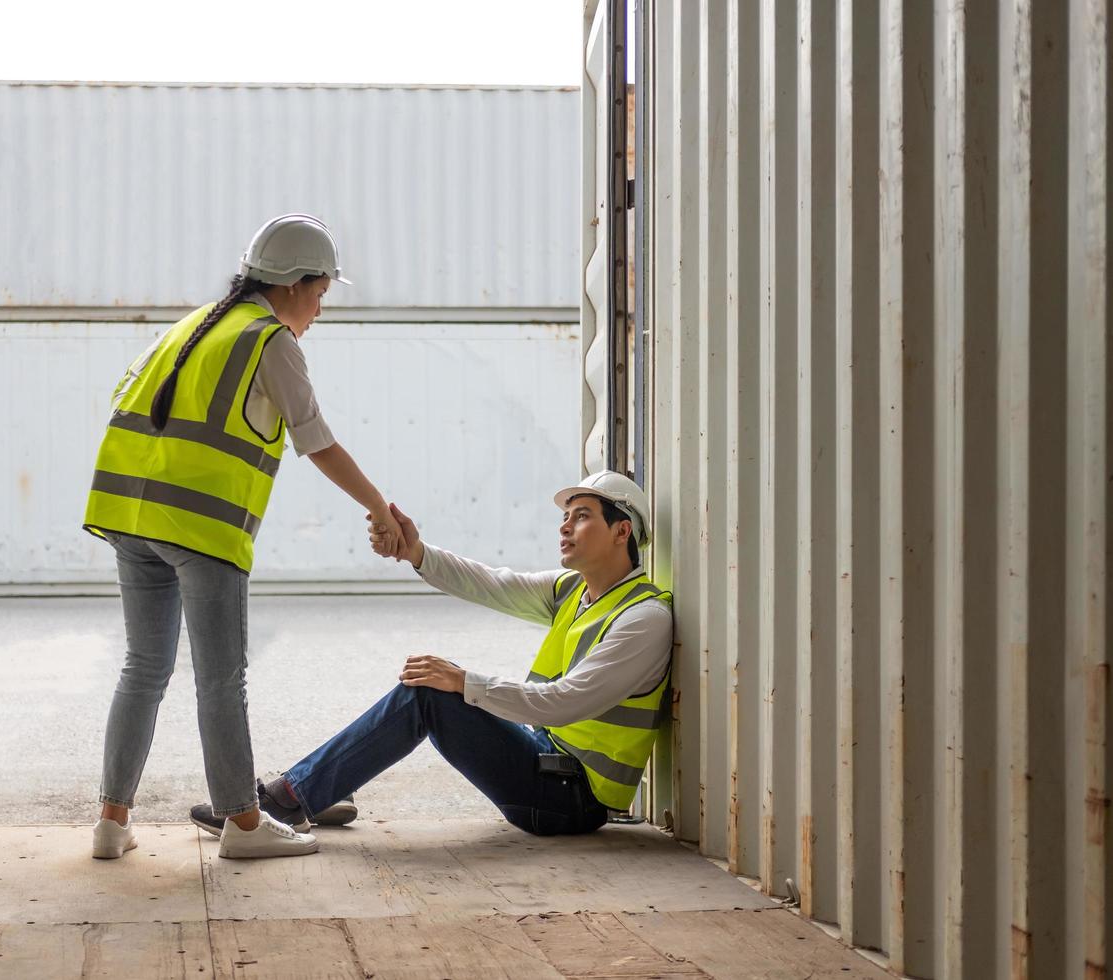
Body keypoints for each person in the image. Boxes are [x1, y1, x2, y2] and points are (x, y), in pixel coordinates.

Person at [84, 214, 400, 860]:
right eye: (320, 294)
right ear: (292, 285)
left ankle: (112, 825)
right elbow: (318, 442)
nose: (318, 309)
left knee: (143, 670)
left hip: (129, 518)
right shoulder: (268, 341)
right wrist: (381, 510)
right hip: (199, 526)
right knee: (221, 681)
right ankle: (245, 826)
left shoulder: (194, 326)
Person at [188, 471, 674, 838]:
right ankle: (317, 789)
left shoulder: (643, 619)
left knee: (429, 694)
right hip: (547, 766)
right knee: (430, 684)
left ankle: (288, 801)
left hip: (572, 800)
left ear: (622, 531)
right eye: (564, 517)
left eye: (582, 515)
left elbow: (564, 702)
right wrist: (415, 551)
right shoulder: (575, 590)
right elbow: (492, 583)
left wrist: (465, 682)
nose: (565, 527)